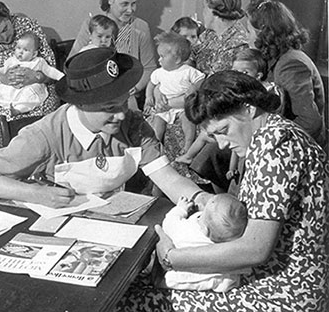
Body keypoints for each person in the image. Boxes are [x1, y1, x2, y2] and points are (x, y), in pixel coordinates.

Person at [116, 70, 328, 312]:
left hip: (282, 295)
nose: (223, 144)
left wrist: (172, 257)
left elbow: (255, 249)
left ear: (249, 108)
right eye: (215, 135)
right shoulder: (273, 135)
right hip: (277, 282)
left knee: (132, 300)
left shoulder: (276, 147)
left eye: (224, 130)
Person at [0, 48, 205, 208]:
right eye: (110, 107)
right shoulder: (46, 134)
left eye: (124, 102)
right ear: (80, 104)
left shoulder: (134, 126)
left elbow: (169, 180)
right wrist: (37, 194)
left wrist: (204, 201)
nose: (122, 114)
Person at [175, 0, 250, 193]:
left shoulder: (239, 42)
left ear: (215, 10)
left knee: (184, 123)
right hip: (196, 98)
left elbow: (230, 85)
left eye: (204, 7)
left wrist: (196, 85)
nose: (202, 13)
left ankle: (202, 192)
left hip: (220, 107)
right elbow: (190, 57)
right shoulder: (206, 35)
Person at [0, 1, 59, 149]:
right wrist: (1, 81)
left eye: (5, 29)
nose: (4, 37)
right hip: (4, 98)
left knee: (46, 130)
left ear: (8, 17)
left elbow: (51, 67)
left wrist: (35, 76)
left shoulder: (27, 25)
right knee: (6, 128)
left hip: (39, 90)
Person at [246, 0, 326, 148]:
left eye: (249, 31)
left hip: (297, 149)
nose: (246, 37)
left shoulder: (290, 64)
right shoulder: (277, 57)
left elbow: (310, 122)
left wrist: (268, 141)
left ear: (263, 33)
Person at [69, 0, 157, 111]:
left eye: (134, 4)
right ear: (110, 0)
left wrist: (134, 88)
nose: (130, 10)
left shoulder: (141, 28)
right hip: (94, 94)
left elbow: (149, 68)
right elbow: (73, 63)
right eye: (124, 4)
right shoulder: (91, 24)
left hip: (128, 95)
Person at [159, 193, 248, 292]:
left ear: (205, 230)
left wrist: (181, 209)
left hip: (180, 271)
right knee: (223, 277)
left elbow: (169, 222)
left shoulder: (186, 229)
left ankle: (161, 282)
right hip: (214, 275)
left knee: (173, 278)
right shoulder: (225, 246)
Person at [144, 31, 205, 147]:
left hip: (182, 107)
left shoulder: (187, 71)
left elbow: (200, 79)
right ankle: (155, 145)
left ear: (177, 60)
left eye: (162, 56)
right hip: (164, 107)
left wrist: (194, 87)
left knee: (188, 121)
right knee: (158, 122)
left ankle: (188, 143)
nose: (159, 60)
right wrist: (148, 96)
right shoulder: (159, 72)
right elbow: (151, 84)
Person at [0, 31, 64, 115]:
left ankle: (19, 109)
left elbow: (50, 71)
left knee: (29, 96)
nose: (20, 52)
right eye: (18, 48)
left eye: (25, 50)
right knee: (0, 89)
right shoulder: (11, 60)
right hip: (13, 87)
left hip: (30, 86)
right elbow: (3, 70)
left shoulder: (38, 61)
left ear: (34, 54)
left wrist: (61, 77)